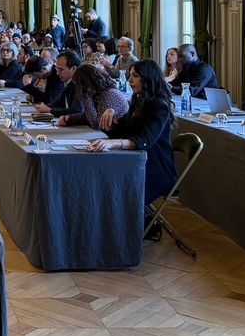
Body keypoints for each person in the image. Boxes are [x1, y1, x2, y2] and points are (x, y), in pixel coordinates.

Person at [91, 60, 178, 239]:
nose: (130, 80)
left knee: (119, 197)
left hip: (156, 172)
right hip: (137, 166)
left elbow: (145, 140)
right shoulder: (139, 102)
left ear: (149, 79)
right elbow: (124, 131)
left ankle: (121, 241)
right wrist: (110, 121)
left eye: (135, 76)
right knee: (106, 186)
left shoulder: (159, 105)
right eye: (130, 75)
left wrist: (113, 143)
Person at [58, 63, 129, 129]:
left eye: (78, 85)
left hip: (119, 135)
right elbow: (89, 116)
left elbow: (97, 124)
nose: (78, 89)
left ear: (86, 84)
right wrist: (70, 118)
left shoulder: (108, 95)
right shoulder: (100, 93)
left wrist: (85, 96)